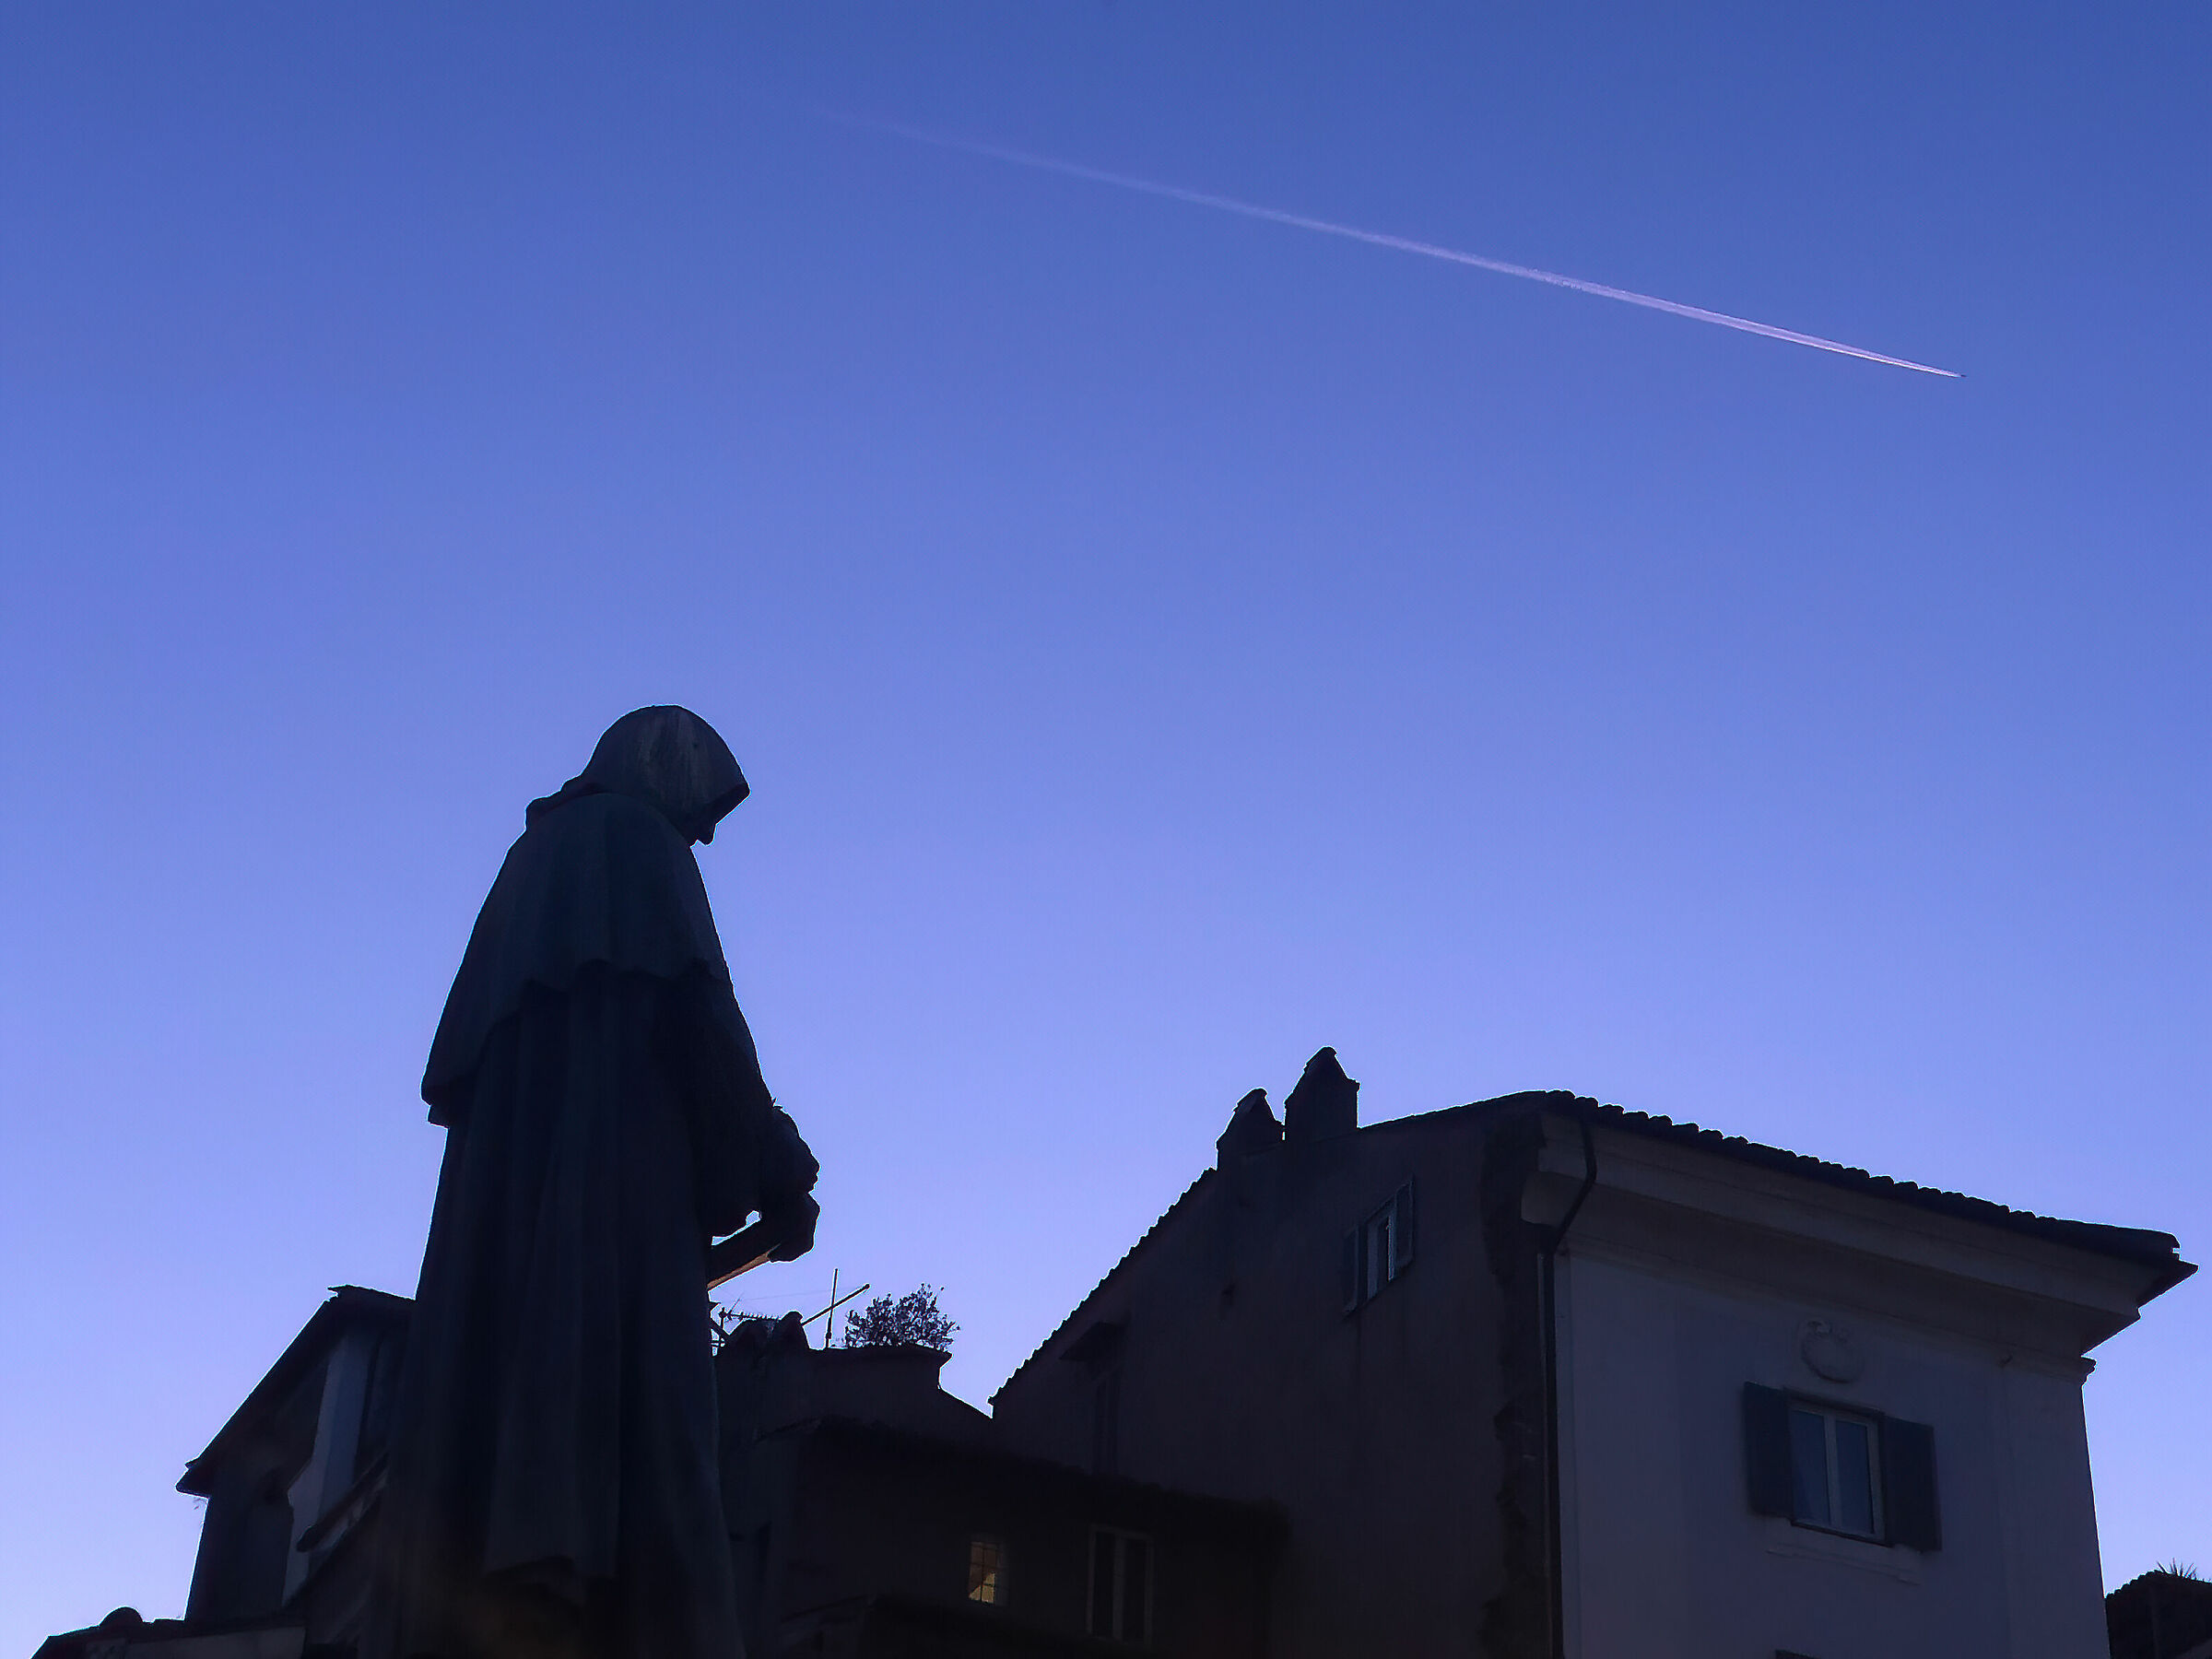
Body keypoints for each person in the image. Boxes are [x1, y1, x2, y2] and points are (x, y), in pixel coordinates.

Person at [372, 706, 817, 1659]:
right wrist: (778, 1160)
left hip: (535, 1232)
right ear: (666, 772)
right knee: (656, 1472)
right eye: (702, 809)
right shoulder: (636, 841)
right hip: (614, 1220)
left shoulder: (530, 867)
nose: (699, 834)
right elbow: (703, 1017)